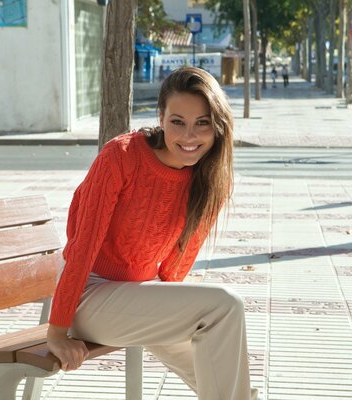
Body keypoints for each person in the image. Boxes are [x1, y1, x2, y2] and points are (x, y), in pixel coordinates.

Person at [47, 67, 258, 400]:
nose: (190, 136)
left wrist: (170, 306)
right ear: (161, 117)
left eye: (202, 123)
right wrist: (57, 332)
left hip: (137, 296)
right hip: (87, 296)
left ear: (217, 126)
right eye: (178, 122)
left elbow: (178, 262)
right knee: (224, 306)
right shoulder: (122, 156)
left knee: (225, 375)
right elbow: (82, 248)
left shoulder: (212, 177)